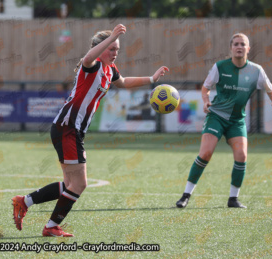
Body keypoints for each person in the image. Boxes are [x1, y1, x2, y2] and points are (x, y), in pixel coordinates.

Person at [12, 24, 169, 237]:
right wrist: (111, 36)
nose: (115, 53)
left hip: (71, 130)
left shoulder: (109, 70)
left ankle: (24, 202)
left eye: (117, 49)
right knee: (79, 184)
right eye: (111, 48)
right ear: (99, 47)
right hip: (68, 128)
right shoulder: (92, 65)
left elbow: (123, 82)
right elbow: (87, 58)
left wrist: (151, 79)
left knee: (70, 184)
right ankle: (50, 227)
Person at [176, 33, 272, 209]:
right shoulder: (220, 67)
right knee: (205, 154)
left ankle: (233, 199)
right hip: (216, 116)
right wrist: (205, 101)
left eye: (243, 44)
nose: (239, 47)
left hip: (236, 121)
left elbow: (270, 89)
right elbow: (205, 88)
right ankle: (185, 195)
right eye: (236, 44)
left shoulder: (256, 70)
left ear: (248, 49)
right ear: (231, 48)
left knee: (242, 156)